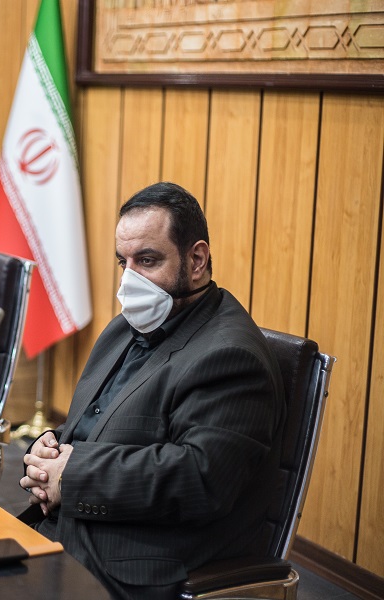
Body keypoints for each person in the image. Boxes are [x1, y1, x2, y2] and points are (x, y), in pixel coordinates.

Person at [19, 182, 286, 599]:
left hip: (126, 560)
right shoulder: (126, 326)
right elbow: (93, 424)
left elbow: (198, 478)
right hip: (65, 525)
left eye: (147, 260)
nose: (130, 280)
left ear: (196, 260)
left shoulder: (231, 357)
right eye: (122, 262)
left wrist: (71, 476)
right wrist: (48, 451)